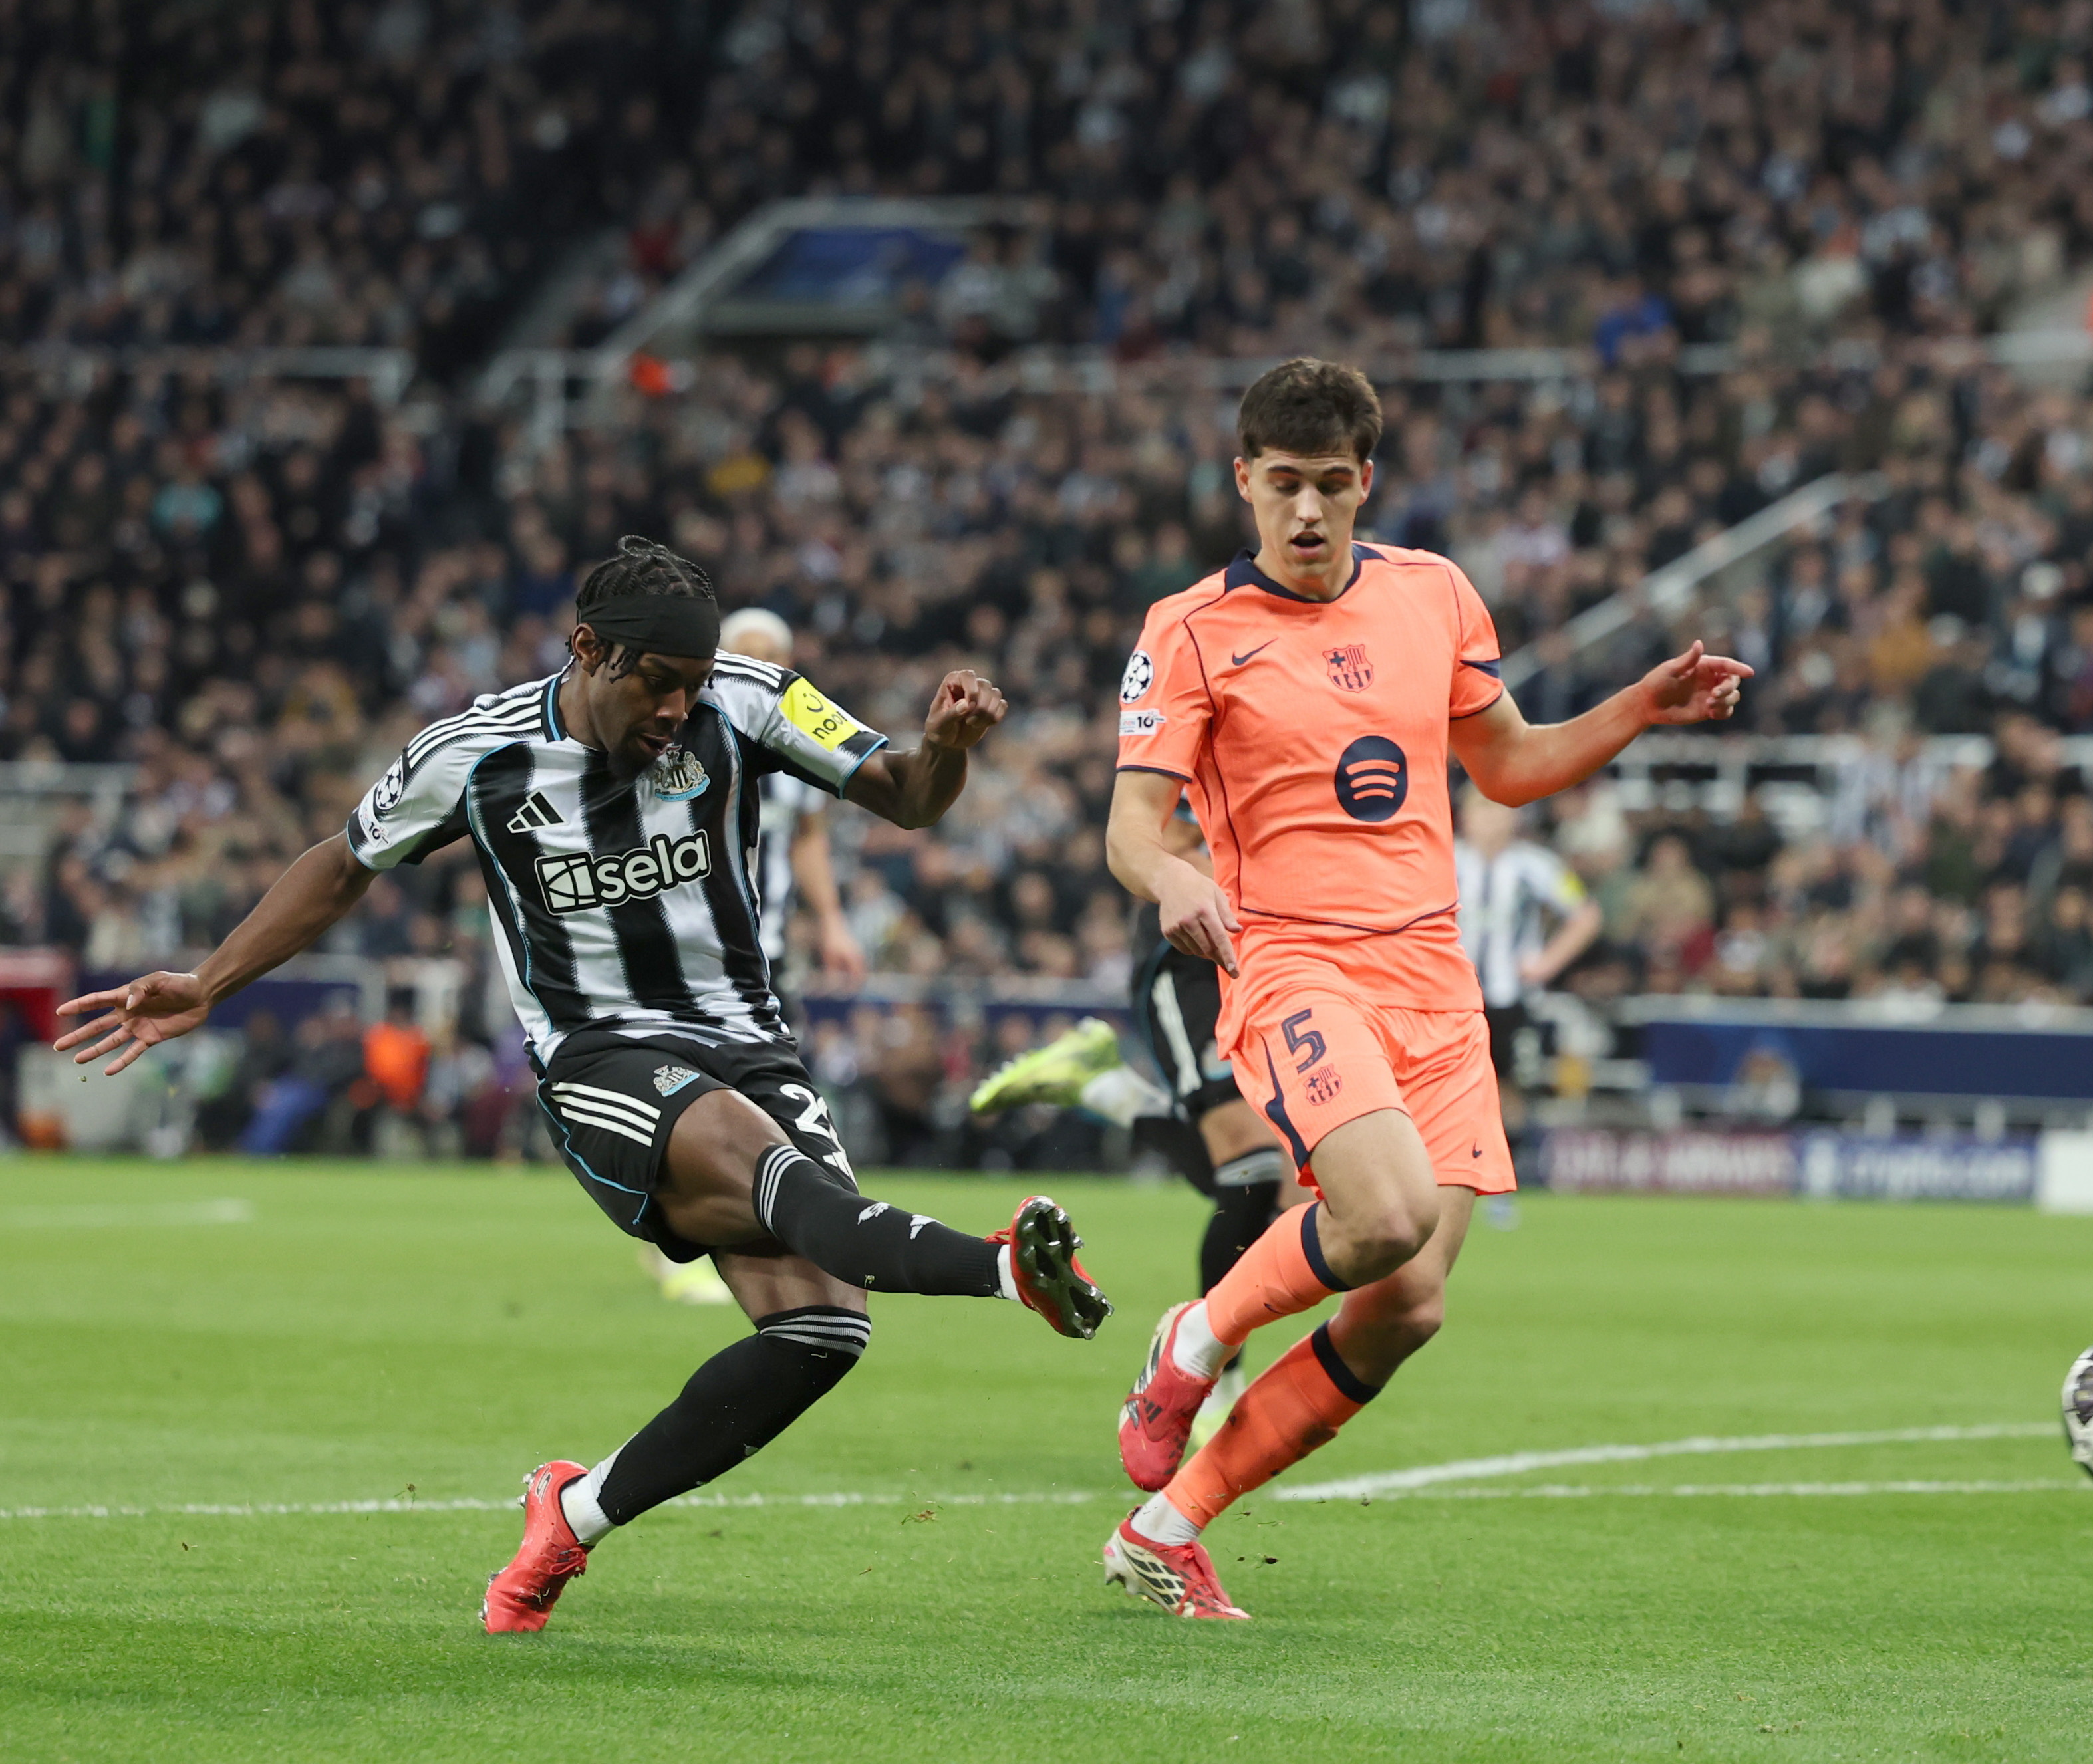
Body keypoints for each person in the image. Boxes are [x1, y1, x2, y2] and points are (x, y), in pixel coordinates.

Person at [55, 536, 1111, 1635]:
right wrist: (212, 980)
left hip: (747, 1041)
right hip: (598, 1058)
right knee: (775, 1173)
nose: (675, 707)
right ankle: (1001, 1271)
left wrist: (945, 749)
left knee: (819, 1332)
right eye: (657, 681)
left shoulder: (748, 700)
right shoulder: (475, 752)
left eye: (691, 685)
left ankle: (573, 1509)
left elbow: (904, 795)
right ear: (588, 650)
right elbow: (341, 863)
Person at [1101, 358, 1749, 1618]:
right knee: (1385, 1215)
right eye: (1279, 486)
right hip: (1291, 964)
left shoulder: (1433, 593)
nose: (1304, 513)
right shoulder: (1187, 630)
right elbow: (1130, 826)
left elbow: (1506, 765)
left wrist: (1640, 705)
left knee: (1407, 1301)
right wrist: (1166, 885)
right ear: (1241, 480)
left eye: (1329, 487)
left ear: (1365, 484)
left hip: (1433, 982)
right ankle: (1191, 1341)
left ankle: (1168, 1524)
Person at [970, 800, 1303, 1438]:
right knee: (1254, 1167)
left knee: (1270, 1189)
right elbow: (1142, 827)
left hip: (1253, 956)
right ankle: (1214, 1377)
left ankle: (1103, 1086)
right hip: (1190, 950)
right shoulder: (1199, 731)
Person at [631, 606, 867, 1307]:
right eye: (747, 651)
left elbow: (806, 841)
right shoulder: (677, 743)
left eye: (773, 653)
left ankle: (769, 1232)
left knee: (765, 1096)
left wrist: (830, 920)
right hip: (683, 954)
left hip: (758, 957)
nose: (760, 664)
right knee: (674, 1095)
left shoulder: (792, 747)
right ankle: (671, 1248)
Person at [1453, 787, 1602, 1182]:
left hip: (1509, 996)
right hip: (1452, 997)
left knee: (1509, 1085)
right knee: (1447, 1084)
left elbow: (1585, 915)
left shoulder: (1533, 865)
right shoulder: (1445, 861)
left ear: (1514, 818)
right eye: (1480, 809)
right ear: (1464, 816)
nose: (1489, 820)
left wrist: (1546, 964)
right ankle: (1449, 1169)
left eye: (1497, 810)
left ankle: (1506, 1176)